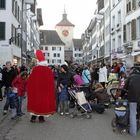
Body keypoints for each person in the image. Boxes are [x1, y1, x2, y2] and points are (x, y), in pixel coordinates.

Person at [27, 50, 56, 123]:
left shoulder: (35, 69)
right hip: (45, 91)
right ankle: (41, 118)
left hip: (37, 91)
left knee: (36, 103)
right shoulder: (48, 70)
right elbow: (51, 82)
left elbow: (31, 80)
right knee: (43, 103)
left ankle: (33, 118)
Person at [123, 54, 140, 136]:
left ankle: (133, 132)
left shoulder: (131, 77)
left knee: (132, 113)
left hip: (133, 97)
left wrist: (121, 95)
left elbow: (124, 88)